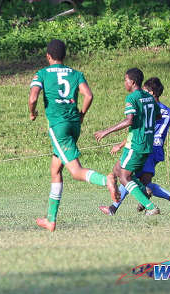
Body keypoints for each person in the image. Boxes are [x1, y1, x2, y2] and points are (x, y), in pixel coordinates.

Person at [29, 39, 119, 232]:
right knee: (55, 169)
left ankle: (106, 181)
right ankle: (51, 220)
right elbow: (88, 95)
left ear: (48, 56)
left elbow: (33, 97)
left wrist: (32, 112)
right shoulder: (75, 74)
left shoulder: (42, 74)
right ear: (64, 56)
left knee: (75, 171)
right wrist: (82, 115)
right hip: (73, 124)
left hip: (58, 127)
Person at [98, 77, 170, 216]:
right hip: (156, 150)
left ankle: (163, 198)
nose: (142, 93)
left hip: (144, 147)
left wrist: (121, 143)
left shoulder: (146, 108)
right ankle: (117, 206)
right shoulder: (169, 112)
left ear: (151, 93)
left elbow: (140, 129)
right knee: (130, 177)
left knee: (126, 176)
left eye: (145, 90)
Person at [94, 68, 162, 216]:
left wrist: (106, 131)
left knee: (124, 177)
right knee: (118, 169)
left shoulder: (132, 98)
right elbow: (158, 116)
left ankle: (150, 207)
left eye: (125, 80)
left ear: (132, 82)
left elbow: (129, 120)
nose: (124, 83)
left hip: (136, 143)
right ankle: (144, 190)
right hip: (146, 143)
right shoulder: (149, 97)